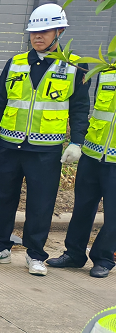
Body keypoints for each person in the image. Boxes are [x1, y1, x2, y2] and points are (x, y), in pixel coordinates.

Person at [0, 4, 90, 275]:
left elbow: (79, 108)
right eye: (33, 32)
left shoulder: (74, 65)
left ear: (59, 31)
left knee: (41, 204)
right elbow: (0, 101)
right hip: (9, 145)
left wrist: (76, 141)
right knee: (3, 199)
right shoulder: (16, 62)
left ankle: (35, 254)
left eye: (45, 31)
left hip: (45, 149)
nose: (37, 36)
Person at [46, 49, 115, 278]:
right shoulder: (106, 72)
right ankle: (74, 254)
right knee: (82, 208)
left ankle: (104, 258)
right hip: (92, 154)